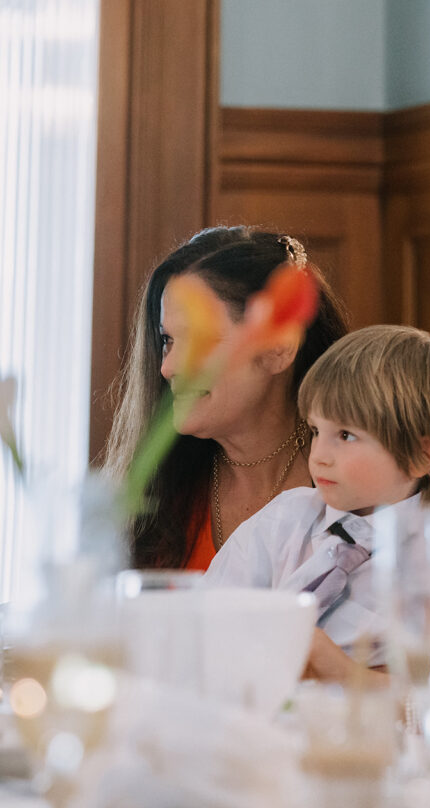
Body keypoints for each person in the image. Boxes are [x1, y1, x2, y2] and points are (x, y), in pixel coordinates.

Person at [205, 324, 430, 667]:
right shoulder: (282, 521)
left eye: (346, 435)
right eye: (316, 430)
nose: (319, 454)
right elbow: (204, 622)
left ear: (421, 455)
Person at [103, 226, 348, 571]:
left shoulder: (357, 483)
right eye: (167, 340)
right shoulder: (151, 499)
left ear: (279, 347)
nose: (168, 367)